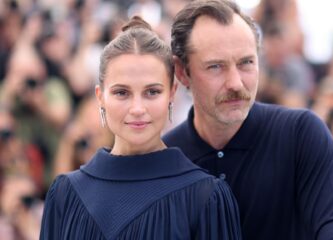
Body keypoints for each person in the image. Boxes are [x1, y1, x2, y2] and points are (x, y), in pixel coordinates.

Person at [163, 0, 333, 239]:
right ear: (183, 72)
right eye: (216, 67)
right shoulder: (166, 159)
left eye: (246, 62)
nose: (235, 83)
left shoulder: (301, 135)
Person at [39, 16, 241, 240]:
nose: (137, 108)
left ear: (172, 94)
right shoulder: (65, 193)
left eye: (152, 92)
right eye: (121, 93)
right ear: (100, 97)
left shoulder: (205, 196)